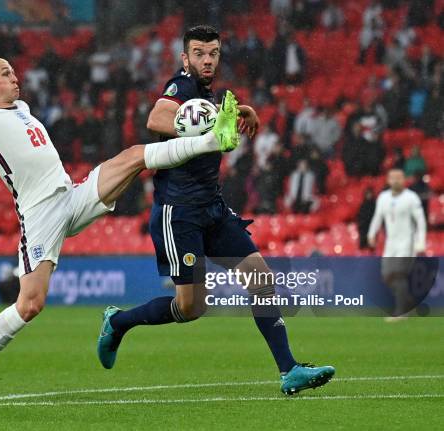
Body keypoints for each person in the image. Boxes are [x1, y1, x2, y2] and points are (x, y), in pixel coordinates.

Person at [0, 45, 240, 403]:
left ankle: (212, 139)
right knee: (31, 304)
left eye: (13, 72)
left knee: (133, 157)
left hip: (71, 197)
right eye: (4, 74)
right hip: (39, 217)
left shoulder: (21, 108)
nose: (14, 78)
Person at [96, 25, 335, 396]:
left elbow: (208, 115)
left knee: (262, 280)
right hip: (179, 214)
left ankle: (289, 371)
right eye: (198, 53)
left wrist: (242, 110)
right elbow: (157, 118)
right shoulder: (181, 86)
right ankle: (119, 321)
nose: (206, 60)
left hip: (212, 208)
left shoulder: (208, 94)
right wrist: (207, 122)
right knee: (191, 307)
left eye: (213, 53)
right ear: (185, 58)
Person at [368, 169, 427, 321]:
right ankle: (409, 302)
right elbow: (377, 217)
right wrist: (371, 234)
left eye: (399, 178)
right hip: (391, 243)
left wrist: (421, 242)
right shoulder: (383, 197)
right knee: (387, 275)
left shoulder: (411, 198)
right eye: (393, 178)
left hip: (407, 242)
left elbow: (420, 221)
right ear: (388, 180)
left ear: (404, 180)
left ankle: (401, 312)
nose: (396, 181)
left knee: (399, 274)